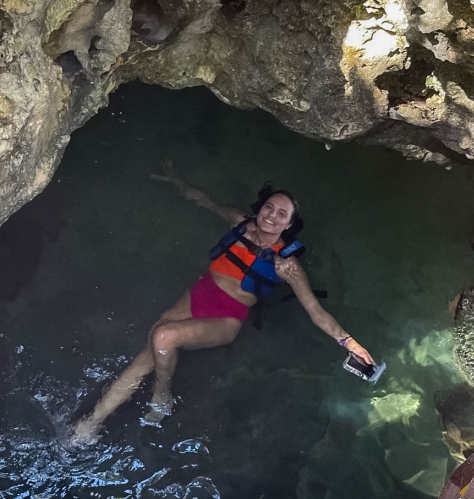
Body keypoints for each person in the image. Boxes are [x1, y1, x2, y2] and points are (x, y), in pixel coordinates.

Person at [71, 171, 375, 444]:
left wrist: (350, 343)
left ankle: (162, 394)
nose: (271, 215)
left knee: (163, 337)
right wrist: (176, 180)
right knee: (144, 357)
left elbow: (315, 311)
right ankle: (91, 424)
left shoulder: (286, 265)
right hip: (196, 296)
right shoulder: (239, 224)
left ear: (289, 225)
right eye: (270, 207)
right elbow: (205, 202)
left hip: (227, 317)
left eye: (282, 214)